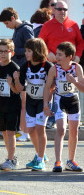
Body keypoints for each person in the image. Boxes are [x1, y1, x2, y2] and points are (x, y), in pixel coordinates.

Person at [43, 42, 84, 172]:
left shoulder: (77, 68)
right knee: (61, 129)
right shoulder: (54, 69)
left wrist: (74, 81)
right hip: (60, 100)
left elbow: (83, 89)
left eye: (60, 55)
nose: (57, 57)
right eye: (57, 54)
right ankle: (58, 161)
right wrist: (46, 105)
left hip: (73, 100)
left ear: (69, 56)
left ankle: (70, 161)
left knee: (74, 131)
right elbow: (48, 88)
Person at [13, 38, 53, 171]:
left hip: (43, 102)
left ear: (37, 51)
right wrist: (17, 80)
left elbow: (53, 85)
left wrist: (47, 102)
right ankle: (40, 154)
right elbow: (20, 89)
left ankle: (40, 160)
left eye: (29, 51)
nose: (26, 53)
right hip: (31, 101)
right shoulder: (25, 66)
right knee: (30, 130)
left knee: (40, 128)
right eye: (26, 51)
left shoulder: (47, 66)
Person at [0, 7, 34, 142]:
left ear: (13, 19)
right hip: (19, 69)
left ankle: (25, 132)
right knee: (22, 102)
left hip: (25, 69)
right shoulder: (18, 30)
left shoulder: (25, 29)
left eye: (7, 23)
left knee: (24, 102)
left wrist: (11, 50)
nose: (7, 27)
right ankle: (23, 130)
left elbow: (30, 47)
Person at [0, 39, 21, 170]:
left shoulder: (15, 68)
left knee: (10, 132)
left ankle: (10, 159)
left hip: (13, 105)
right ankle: (12, 156)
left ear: (12, 53)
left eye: (5, 51)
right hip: (1, 104)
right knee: (3, 132)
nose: (2, 54)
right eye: (0, 51)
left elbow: (17, 91)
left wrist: (11, 83)